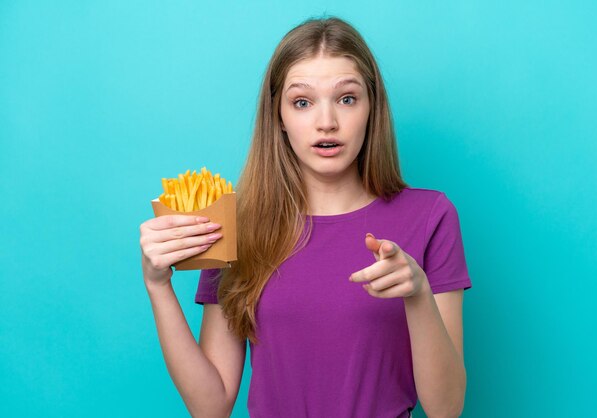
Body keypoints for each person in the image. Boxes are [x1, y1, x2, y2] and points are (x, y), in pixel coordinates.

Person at [140, 16, 472, 418]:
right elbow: (210, 407)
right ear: (278, 116)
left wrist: (418, 293)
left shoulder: (430, 215)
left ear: (372, 108)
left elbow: (447, 409)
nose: (326, 121)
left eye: (347, 98)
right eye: (302, 102)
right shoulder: (236, 224)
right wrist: (158, 286)